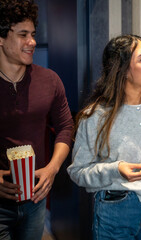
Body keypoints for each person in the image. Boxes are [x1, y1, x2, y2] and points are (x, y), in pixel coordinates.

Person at [67, 34, 141, 240]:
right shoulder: (94, 117)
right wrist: (116, 169)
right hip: (115, 210)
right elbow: (78, 172)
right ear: (123, 70)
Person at [0, 0, 74, 239]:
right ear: (1, 38)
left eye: (33, 34)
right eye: (23, 35)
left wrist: (52, 169)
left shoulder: (50, 80)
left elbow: (65, 127)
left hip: (35, 199)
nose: (31, 41)